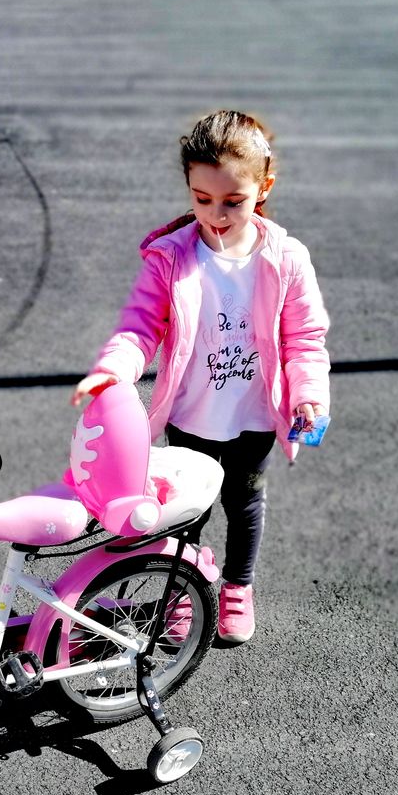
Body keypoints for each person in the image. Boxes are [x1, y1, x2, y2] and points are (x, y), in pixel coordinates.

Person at [71, 109, 331, 645]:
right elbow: (140, 327)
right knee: (186, 509)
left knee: (245, 501)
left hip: (256, 415)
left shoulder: (285, 259)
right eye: (201, 198)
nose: (216, 213)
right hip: (192, 414)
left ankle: (237, 586)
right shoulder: (171, 257)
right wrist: (113, 372)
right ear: (189, 186)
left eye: (233, 201)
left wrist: (308, 395)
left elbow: (304, 339)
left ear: (264, 187)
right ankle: (180, 587)